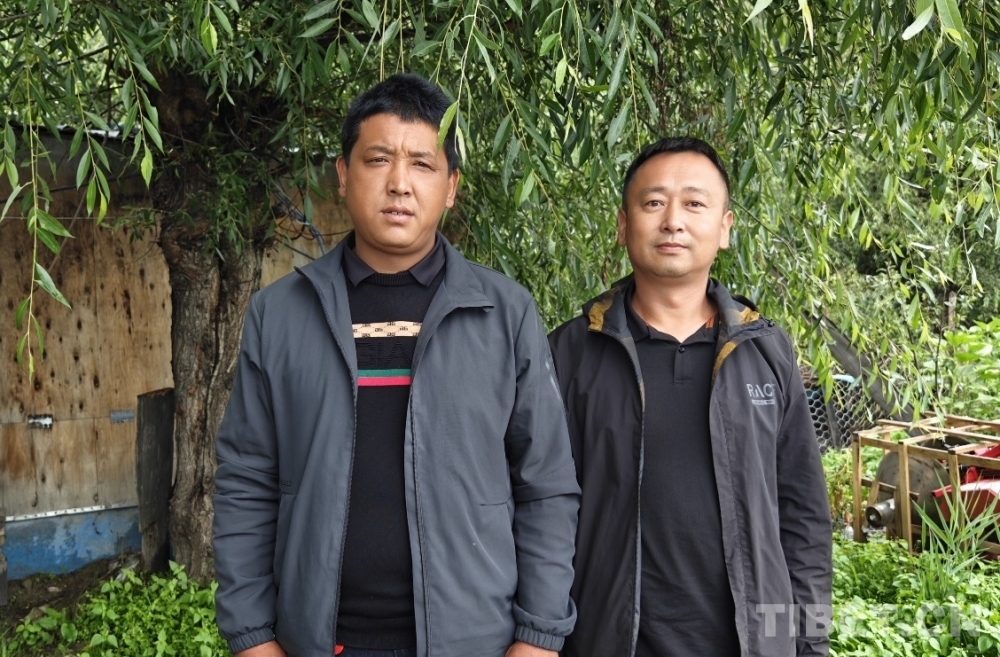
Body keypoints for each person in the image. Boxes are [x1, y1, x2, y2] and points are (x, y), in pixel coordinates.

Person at [213, 73, 580, 657]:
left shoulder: (504, 313)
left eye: (423, 164)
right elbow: (246, 479)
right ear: (343, 174)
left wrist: (538, 637)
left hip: (473, 643)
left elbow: (546, 485)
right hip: (321, 641)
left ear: (451, 186)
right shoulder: (280, 314)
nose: (399, 184)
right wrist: (252, 635)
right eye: (378, 159)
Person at [548, 137, 832, 657]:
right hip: (604, 640)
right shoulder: (570, 353)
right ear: (623, 225)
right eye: (654, 202)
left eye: (695, 203)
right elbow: (541, 512)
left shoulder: (765, 352)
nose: (673, 221)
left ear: (724, 227)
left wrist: (810, 645)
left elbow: (804, 519)